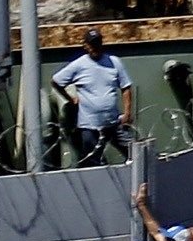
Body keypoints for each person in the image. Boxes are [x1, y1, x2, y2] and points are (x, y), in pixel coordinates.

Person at [49, 34, 132, 166]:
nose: (95, 48)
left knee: (135, 153)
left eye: (97, 43)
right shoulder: (78, 65)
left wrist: (127, 113)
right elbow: (56, 81)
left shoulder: (114, 62)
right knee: (92, 162)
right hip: (90, 126)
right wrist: (71, 99)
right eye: (92, 44)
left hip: (114, 122)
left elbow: (126, 87)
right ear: (86, 46)